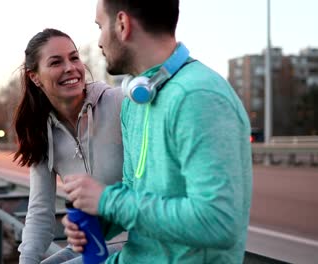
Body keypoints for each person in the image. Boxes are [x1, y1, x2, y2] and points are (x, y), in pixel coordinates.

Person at [62, 0, 253, 263]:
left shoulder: (199, 96)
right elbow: (133, 193)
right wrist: (99, 219)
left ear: (122, 24)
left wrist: (107, 201)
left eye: (100, 26)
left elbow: (218, 222)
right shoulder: (135, 100)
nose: (99, 42)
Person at [13, 28, 125, 264]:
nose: (70, 68)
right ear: (35, 77)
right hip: (93, 243)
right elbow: (40, 211)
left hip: (137, 238)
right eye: (56, 62)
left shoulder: (119, 104)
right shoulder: (41, 131)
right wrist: (26, 259)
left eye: (74, 57)